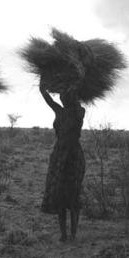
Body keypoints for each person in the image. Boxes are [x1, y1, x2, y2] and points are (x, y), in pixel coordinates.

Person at [39, 79, 85, 241]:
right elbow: (47, 98)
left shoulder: (79, 111)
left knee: (73, 194)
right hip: (59, 156)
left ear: (72, 97)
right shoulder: (59, 111)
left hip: (73, 156)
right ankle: (63, 234)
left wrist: (75, 83)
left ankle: (72, 233)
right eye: (62, 96)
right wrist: (42, 81)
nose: (62, 98)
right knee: (59, 194)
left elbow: (77, 103)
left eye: (66, 96)